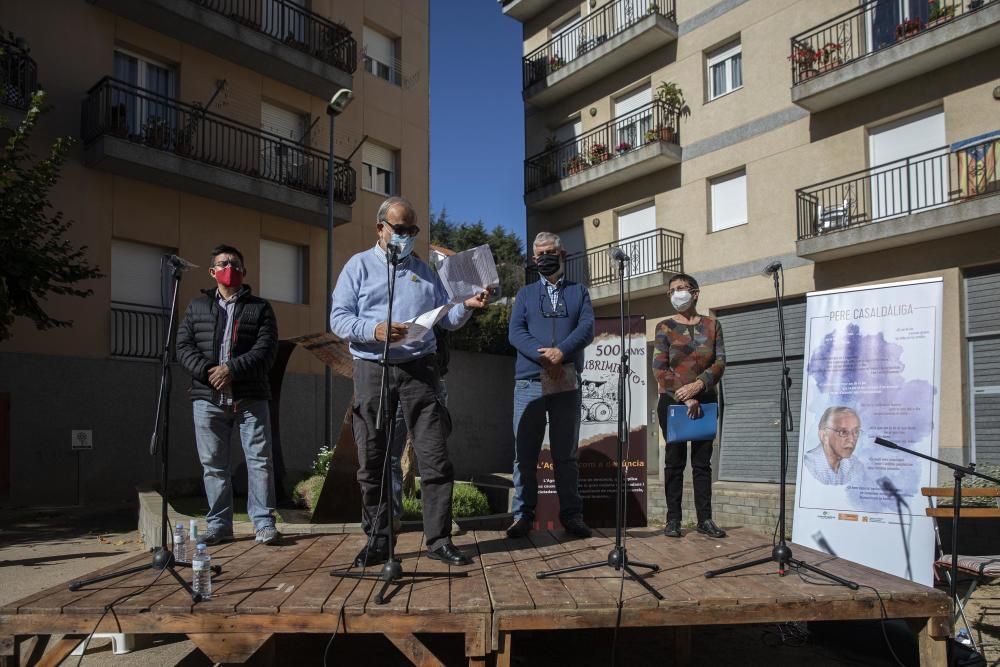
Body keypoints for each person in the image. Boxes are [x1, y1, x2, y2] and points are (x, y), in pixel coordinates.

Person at [330, 196, 488, 567]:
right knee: (373, 459)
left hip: (420, 370)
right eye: (399, 229)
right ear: (380, 228)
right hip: (373, 368)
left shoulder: (424, 271)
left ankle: (439, 540)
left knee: (435, 458)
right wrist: (375, 328)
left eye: (411, 230)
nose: (405, 236)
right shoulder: (358, 267)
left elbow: (445, 319)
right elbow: (338, 319)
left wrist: (466, 305)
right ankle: (379, 541)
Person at [176, 244, 281, 546]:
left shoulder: (260, 308)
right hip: (207, 399)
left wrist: (231, 370)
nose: (229, 268)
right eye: (223, 264)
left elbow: (266, 350)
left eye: (235, 264)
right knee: (213, 465)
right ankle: (220, 525)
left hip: (250, 397)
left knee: (260, 461)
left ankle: (263, 523)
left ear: (244, 272)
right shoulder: (197, 307)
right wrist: (210, 371)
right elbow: (183, 347)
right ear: (212, 272)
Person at [506, 231, 595, 540]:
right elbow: (515, 332)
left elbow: (586, 328)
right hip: (529, 381)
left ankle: (572, 515)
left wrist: (562, 353)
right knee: (524, 453)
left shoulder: (579, 292)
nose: (545, 257)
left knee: (565, 453)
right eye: (539, 253)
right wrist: (543, 356)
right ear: (533, 259)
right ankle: (523, 515)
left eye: (550, 252)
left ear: (563, 254)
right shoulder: (525, 295)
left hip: (566, 380)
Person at [653, 272, 727, 539]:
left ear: (695, 293)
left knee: (701, 463)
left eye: (681, 288)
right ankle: (673, 519)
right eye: (672, 290)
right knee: (674, 461)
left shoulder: (712, 325)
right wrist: (685, 395)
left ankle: (704, 519)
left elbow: (719, 363)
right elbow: (659, 369)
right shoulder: (664, 327)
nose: (676, 294)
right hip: (672, 400)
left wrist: (699, 386)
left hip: (705, 398)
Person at [803, 406, 866, 485]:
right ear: (824, 436)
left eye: (856, 431)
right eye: (843, 432)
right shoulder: (808, 465)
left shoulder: (855, 465)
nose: (852, 439)